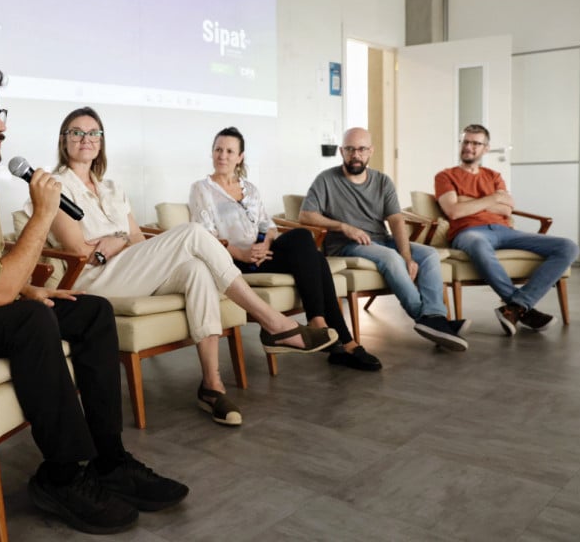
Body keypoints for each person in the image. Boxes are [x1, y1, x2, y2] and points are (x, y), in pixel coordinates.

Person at [0, 59, 189, 536]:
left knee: (91, 311)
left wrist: (28, 286)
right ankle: (61, 476)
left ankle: (110, 460)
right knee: (28, 320)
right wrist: (43, 215)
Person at [23, 107, 336, 427]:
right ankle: (272, 323)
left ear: (101, 141)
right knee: (193, 232)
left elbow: (135, 238)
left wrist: (118, 240)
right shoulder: (53, 186)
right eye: (76, 132)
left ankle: (211, 385)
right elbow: (80, 250)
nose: (86, 139)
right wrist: (120, 241)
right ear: (64, 140)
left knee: (197, 270)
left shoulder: (112, 188)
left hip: (130, 270)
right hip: (93, 279)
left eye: (93, 133)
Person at [188, 126, 382, 371]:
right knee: (316, 258)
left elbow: (267, 226)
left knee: (304, 240)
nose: (222, 156)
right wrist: (242, 253)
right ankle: (342, 339)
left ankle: (324, 330)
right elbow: (206, 237)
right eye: (218, 150)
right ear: (212, 153)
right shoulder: (202, 189)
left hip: (261, 254)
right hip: (231, 261)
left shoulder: (250, 189)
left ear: (240, 157)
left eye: (229, 151)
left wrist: (265, 244)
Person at [298, 127, 470, 351]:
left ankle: (435, 316)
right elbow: (305, 215)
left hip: (381, 238)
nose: (356, 155)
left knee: (429, 254)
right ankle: (426, 318)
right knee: (390, 257)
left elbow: (396, 220)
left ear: (371, 151)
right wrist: (343, 227)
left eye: (361, 149)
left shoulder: (382, 181)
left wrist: (407, 256)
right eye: (350, 149)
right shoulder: (326, 180)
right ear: (341, 151)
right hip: (346, 245)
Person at [435, 124, 579, 334]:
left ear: (486, 148)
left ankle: (516, 306)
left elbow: (507, 208)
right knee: (478, 244)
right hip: (469, 232)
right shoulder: (445, 176)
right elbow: (454, 211)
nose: (468, 147)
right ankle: (522, 309)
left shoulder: (494, 175)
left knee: (568, 247)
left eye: (475, 143)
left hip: (505, 231)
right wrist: (493, 198)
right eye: (465, 142)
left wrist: (468, 201)